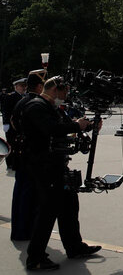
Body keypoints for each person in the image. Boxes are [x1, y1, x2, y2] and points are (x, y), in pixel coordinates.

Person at [21, 76, 101, 270]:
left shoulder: (51, 108)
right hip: (43, 166)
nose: (65, 97)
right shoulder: (36, 106)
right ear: (55, 89)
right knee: (48, 211)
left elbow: (69, 123)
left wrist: (89, 125)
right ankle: (36, 257)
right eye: (64, 92)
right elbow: (51, 129)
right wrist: (76, 126)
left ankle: (74, 246)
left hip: (56, 164)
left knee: (69, 205)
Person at [9, 70, 46, 241]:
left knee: (21, 193)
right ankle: (25, 230)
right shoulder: (35, 103)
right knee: (29, 195)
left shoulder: (23, 101)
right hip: (31, 154)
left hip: (21, 152)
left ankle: (19, 229)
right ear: (39, 86)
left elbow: (14, 124)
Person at [2, 77, 27, 170]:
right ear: (16, 86)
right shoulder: (10, 96)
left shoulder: (25, 96)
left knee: (18, 144)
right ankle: (10, 163)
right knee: (11, 144)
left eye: (25, 86)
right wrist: (5, 123)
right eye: (22, 86)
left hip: (20, 125)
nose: (24, 88)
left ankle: (17, 161)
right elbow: (5, 110)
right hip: (10, 124)